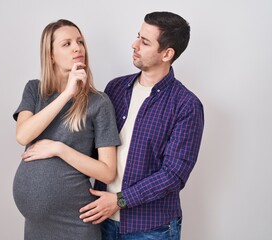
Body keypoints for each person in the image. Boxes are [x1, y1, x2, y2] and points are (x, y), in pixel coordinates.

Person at [79, 11, 205, 240]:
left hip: (151, 228)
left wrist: (119, 200)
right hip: (101, 219)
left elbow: (173, 174)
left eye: (145, 42)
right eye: (138, 36)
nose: (134, 44)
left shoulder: (187, 105)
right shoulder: (115, 89)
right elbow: (93, 146)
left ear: (167, 53)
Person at [12, 19, 120, 240]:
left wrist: (59, 148)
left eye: (79, 41)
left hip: (75, 220)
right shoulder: (34, 90)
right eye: (66, 43)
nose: (77, 48)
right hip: (36, 225)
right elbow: (23, 135)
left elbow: (108, 172)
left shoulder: (99, 102)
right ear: (50, 55)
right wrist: (66, 94)